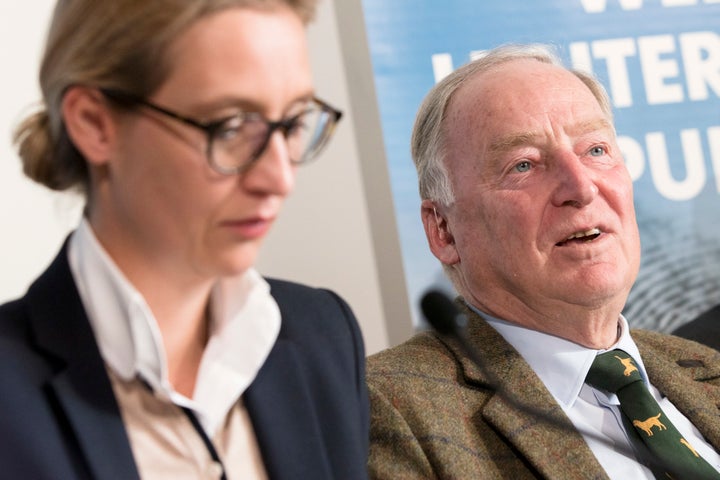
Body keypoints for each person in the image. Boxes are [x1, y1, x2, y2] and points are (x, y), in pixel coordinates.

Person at [0, 1, 369, 479]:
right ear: (94, 123)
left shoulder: (323, 337)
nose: (280, 178)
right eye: (232, 125)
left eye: (294, 122)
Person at [366, 44, 720, 479]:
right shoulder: (386, 411)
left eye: (595, 150)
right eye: (524, 165)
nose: (581, 187)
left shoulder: (707, 368)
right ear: (443, 229)